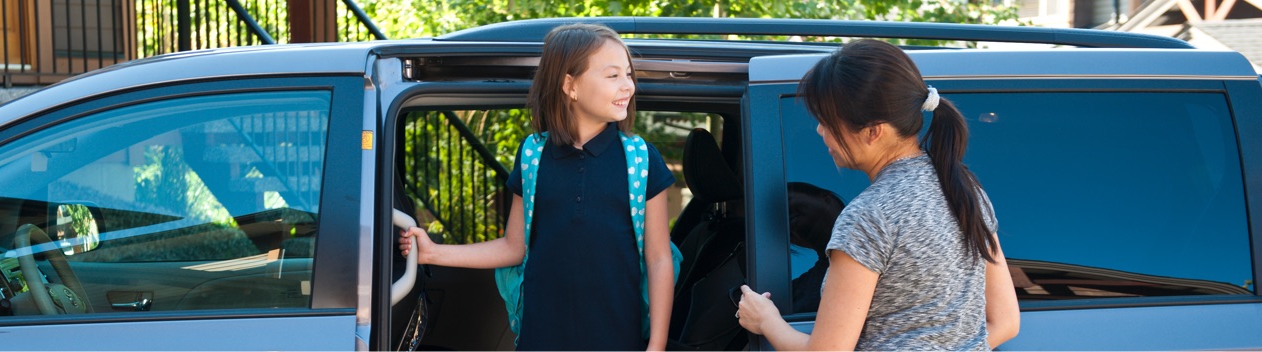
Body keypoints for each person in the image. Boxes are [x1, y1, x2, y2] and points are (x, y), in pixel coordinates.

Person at [399, 23, 676, 351]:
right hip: (540, 340)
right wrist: (434, 252)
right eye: (613, 75)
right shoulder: (532, 155)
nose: (627, 86)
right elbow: (513, 247)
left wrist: (656, 346)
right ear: (570, 86)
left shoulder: (641, 158)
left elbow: (659, 259)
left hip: (617, 342)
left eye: (628, 75)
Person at [736, 39, 1020, 350]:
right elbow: (1006, 321)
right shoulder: (965, 189)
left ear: (874, 131)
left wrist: (766, 320)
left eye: (828, 120)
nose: (820, 130)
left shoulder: (869, 217)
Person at [785, 182, 844, 313]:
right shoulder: (795, 292)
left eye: (786, 202)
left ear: (826, 198)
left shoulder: (882, 253)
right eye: (779, 224)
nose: (784, 217)